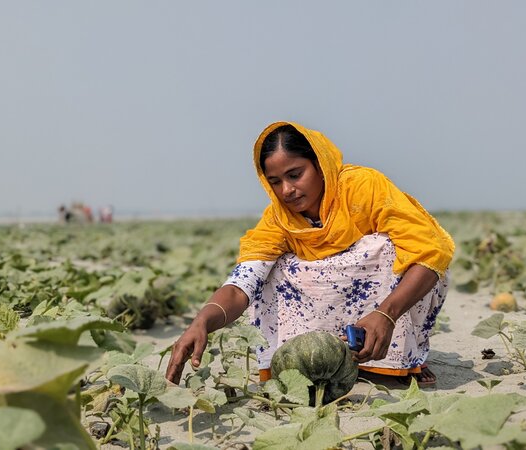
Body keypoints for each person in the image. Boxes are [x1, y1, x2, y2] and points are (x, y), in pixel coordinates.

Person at [165, 121, 454, 387]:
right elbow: (243, 283)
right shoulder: (278, 219)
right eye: (275, 181)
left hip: (387, 307)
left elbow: (430, 252)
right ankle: (320, 360)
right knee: (271, 267)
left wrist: (386, 315)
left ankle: (403, 360)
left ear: (319, 164)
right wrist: (203, 320)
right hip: (329, 312)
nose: (287, 190)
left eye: (295, 174)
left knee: (393, 249)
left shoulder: (363, 187)